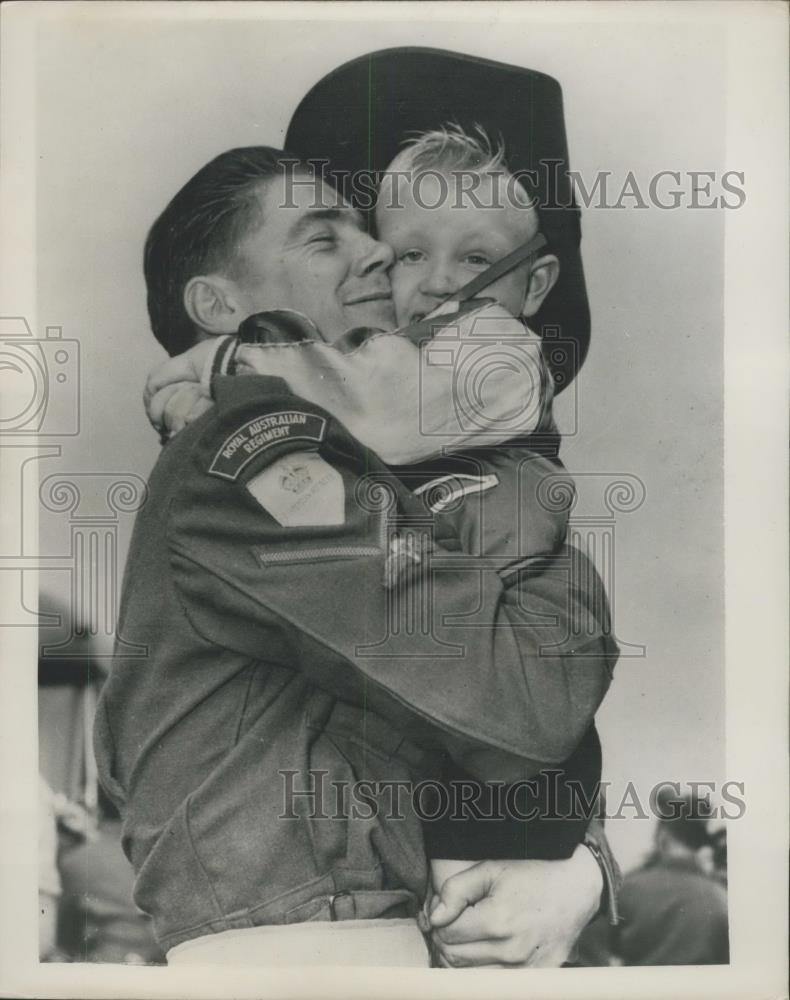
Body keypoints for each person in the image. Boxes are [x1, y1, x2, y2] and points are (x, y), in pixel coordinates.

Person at [95, 144, 618, 968]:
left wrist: (580, 860)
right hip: (307, 954)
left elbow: (451, 705)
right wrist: (564, 573)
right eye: (322, 235)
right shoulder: (249, 450)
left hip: (362, 939)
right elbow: (526, 705)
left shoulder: (374, 455)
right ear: (218, 303)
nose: (374, 249)